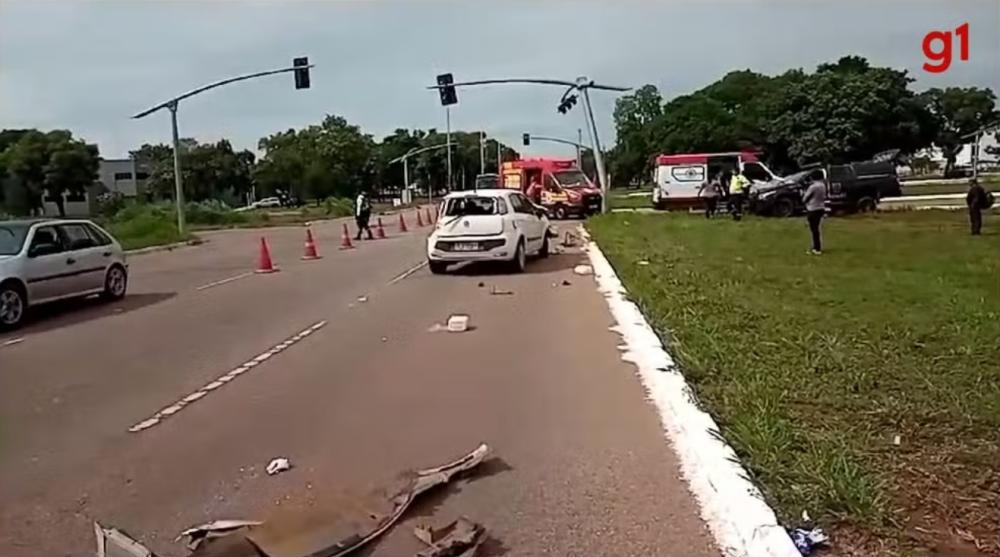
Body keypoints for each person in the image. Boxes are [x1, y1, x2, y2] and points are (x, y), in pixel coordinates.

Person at [802, 170, 827, 254]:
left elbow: (805, 198)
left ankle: (817, 248)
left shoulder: (813, 187)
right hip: (821, 208)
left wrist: (803, 194)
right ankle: (816, 247)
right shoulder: (823, 185)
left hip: (813, 208)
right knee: (816, 229)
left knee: (814, 230)